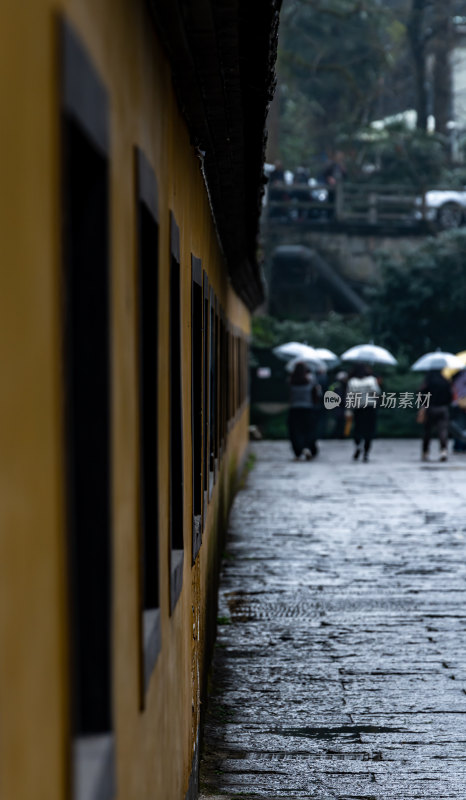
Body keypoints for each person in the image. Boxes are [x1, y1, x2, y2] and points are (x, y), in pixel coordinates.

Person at [347, 364, 381, 462]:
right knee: (369, 431)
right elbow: (377, 393)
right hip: (370, 407)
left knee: (358, 428)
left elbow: (349, 397)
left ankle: (358, 445)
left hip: (358, 407)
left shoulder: (352, 381)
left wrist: (349, 410)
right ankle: (366, 453)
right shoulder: (372, 380)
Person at [288, 362, 321, 460]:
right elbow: (317, 395)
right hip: (308, 408)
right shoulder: (311, 380)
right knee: (309, 430)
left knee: (295, 431)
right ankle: (308, 447)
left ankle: (298, 450)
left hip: (294, 409)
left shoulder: (291, 380)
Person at [419, 369, 453, 461]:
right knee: (443, 431)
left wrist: (424, 405)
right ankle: (443, 451)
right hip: (443, 408)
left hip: (430, 408)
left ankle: (425, 452)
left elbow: (421, 395)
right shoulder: (446, 381)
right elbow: (450, 396)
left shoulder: (428, 381)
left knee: (427, 432)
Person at [329, 370, 348, 438]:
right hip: (339, 406)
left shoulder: (334, 385)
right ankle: (338, 435)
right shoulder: (339, 386)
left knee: (337, 421)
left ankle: (337, 434)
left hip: (334, 405)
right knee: (339, 421)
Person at [451, 369, 466, 453]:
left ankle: (457, 446)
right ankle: (462, 445)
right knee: (463, 426)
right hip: (463, 404)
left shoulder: (455, 377)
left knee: (458, 425)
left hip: (456, 404)